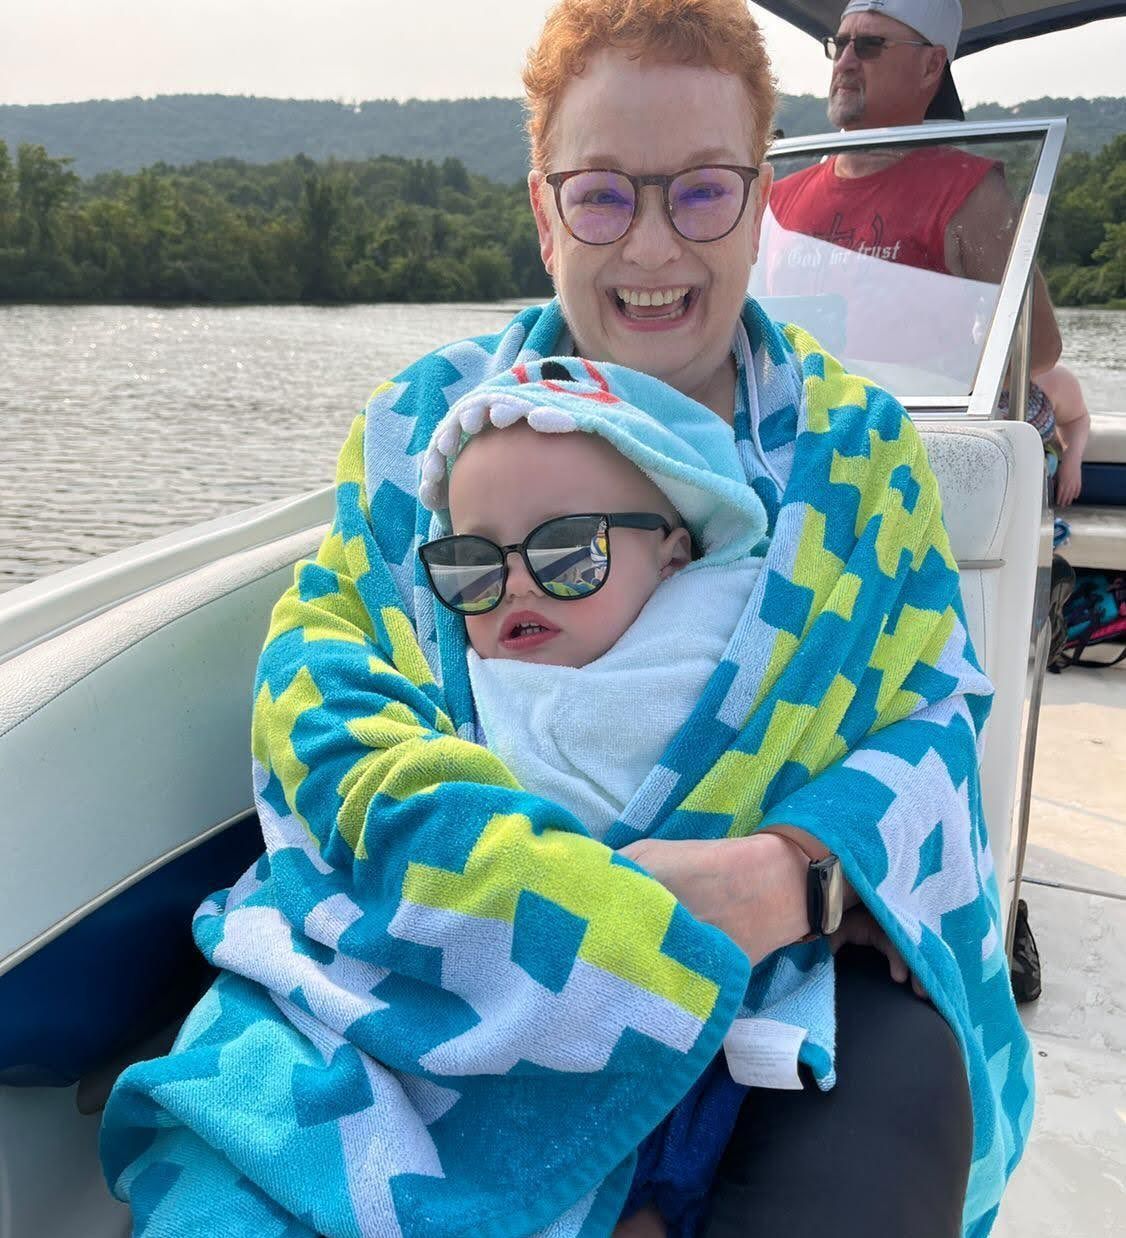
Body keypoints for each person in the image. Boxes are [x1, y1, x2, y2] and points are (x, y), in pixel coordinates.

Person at [99, 4, 1030, 1237]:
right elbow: (320, 687)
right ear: (544, 213)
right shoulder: (423, 424)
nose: (653, 247)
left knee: (893, 1120)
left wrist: (791, 876)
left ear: (760, 207)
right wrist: (564, 903)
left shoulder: (854, 454)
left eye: (701, 193)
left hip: (776, 975)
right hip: (449, 967)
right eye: (602, 197)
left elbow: (932, 713)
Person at [418, 358, 773, 1237]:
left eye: (569, 549)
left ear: (674, 553)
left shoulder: (734, 651)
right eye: (472, 564)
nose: (519, 584)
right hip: (487, 1000)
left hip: (674, 1008)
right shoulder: (450, 688)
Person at [764, 0, 1062, 380]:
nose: (845, 62)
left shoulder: (968, 190)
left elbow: (1037, 349)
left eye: (870, 45)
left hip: (913, 430)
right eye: (840, 45)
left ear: (931, 66)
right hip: (790, 425)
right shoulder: (776, 197)